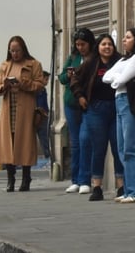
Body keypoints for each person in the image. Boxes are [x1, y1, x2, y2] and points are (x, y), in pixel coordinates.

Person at [70, 32, 124, 202]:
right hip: (96, 109)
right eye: (103, 44)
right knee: (98, 149)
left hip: (116, 108)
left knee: (118, 147)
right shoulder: (90, 63)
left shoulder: (120, 62)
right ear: (98, 47)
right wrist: (80, 96)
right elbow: (74, 80)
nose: (107, 47)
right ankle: (97, 187)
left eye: (110, 44)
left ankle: (121, 186)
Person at [0, 35, 45, 193]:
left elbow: (40, 84)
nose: (15, 53)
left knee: (25, 143)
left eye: (18, 50)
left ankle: (26, 177)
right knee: (9, 143)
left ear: (23, 49)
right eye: (12, 50)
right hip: (9, 107)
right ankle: (10, 178)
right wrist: (5, 86)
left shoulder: (34, 64)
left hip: (26, 108)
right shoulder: (5, 65)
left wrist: (24, 84)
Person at [104, 27, 135, 203]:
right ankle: (130, 188)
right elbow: (107, 77)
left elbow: (121, 79)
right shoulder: (124, 59)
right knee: (122, 148)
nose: (124, 40)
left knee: (132, 147)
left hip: (130, 102)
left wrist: (117, 78)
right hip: (119, 100)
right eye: (124, 37)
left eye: (128, 37)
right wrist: (117, 77)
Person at [59, 28, 96, 194]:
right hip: (71, 104)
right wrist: (68, 75)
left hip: (87, 104)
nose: (80, 47)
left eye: (83, 44)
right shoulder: (73, 58)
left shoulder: (94, 58)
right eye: (78, 44)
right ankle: (75, 179)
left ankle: (85, 179)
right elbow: (61, 78)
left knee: (85, 140)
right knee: (75, 143)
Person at [35, 71, 51, 168]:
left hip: (42, 115)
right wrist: (43, 113)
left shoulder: (42, 89)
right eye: (46, 79)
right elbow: (40, 104)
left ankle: (47, 156)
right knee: (44, 138)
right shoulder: (39, 89)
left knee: (44, 138)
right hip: (40, 116)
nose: (47, 81)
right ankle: (47, 156)